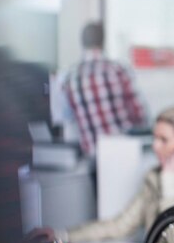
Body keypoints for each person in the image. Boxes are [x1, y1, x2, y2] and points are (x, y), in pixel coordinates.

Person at [30, 107, 174, 243]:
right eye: (154, 138)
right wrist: (62, 235)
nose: (156, 146)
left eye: (164, 140)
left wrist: (170, 182)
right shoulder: (154, 177)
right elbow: (120, 225)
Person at [63, 21, 147, 157]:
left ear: (82, 43)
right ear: (103, 41)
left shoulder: (70, 77)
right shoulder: (117, 70)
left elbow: (69, 120)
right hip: (122, 151)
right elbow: (139, 112)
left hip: (91, 155)